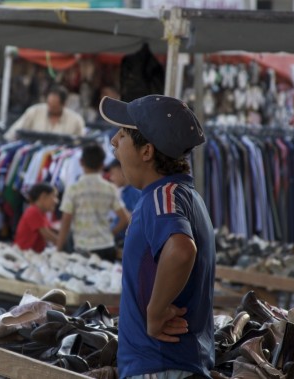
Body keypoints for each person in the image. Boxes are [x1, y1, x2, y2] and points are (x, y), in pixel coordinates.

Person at [100, 94, 215, 378]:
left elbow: (181, 250)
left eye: (123, 134)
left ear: (147, 152)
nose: (114, 141)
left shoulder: (161, 197)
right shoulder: (185, 195)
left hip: (159, 365)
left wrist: (156, 311)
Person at [55, 143, 129, 262]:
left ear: (81, 162)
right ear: (102, 165)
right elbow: (125, 219)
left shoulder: (74, 189)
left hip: (84, 248)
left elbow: (66, 222)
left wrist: (58, 250)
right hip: (107, 246)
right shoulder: (110, 188)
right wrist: (110, 233)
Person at [4, 85, 85, 141]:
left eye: (54, 106)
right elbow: (14, 132)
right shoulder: (34, 112)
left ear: (63, 105)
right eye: (49, 104)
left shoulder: (76, 121)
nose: (49, 108)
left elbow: (80, 144)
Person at [14, 183, 59, 253]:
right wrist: (62, 243)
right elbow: (47, 234)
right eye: (54, 196)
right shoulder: (33, 211)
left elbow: (51, 229)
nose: (56, 201)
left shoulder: (42, 213)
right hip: (24, 253)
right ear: (43, 197)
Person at [106, 159, 140, 247]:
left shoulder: (132, 192)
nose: (111, 178)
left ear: (122, 171)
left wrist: (109, 234)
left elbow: (128, 219)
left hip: (128, 242)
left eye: (113, 174)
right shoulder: (126, 191)